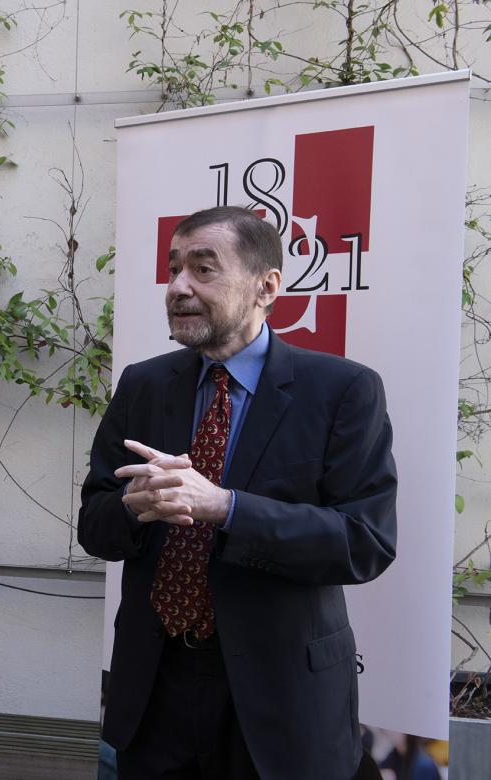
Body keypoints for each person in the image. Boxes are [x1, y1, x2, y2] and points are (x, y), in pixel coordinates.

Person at [78, 206, 397, 779]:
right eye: (173, 269)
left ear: (266, 286)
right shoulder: (144, 384)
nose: (178, 287)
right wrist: (133, 508)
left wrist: (226, 507)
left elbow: (364, 541)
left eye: (203, 269)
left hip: (281, 700)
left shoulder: (342, 390)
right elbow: (94, 525)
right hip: (155, 690)